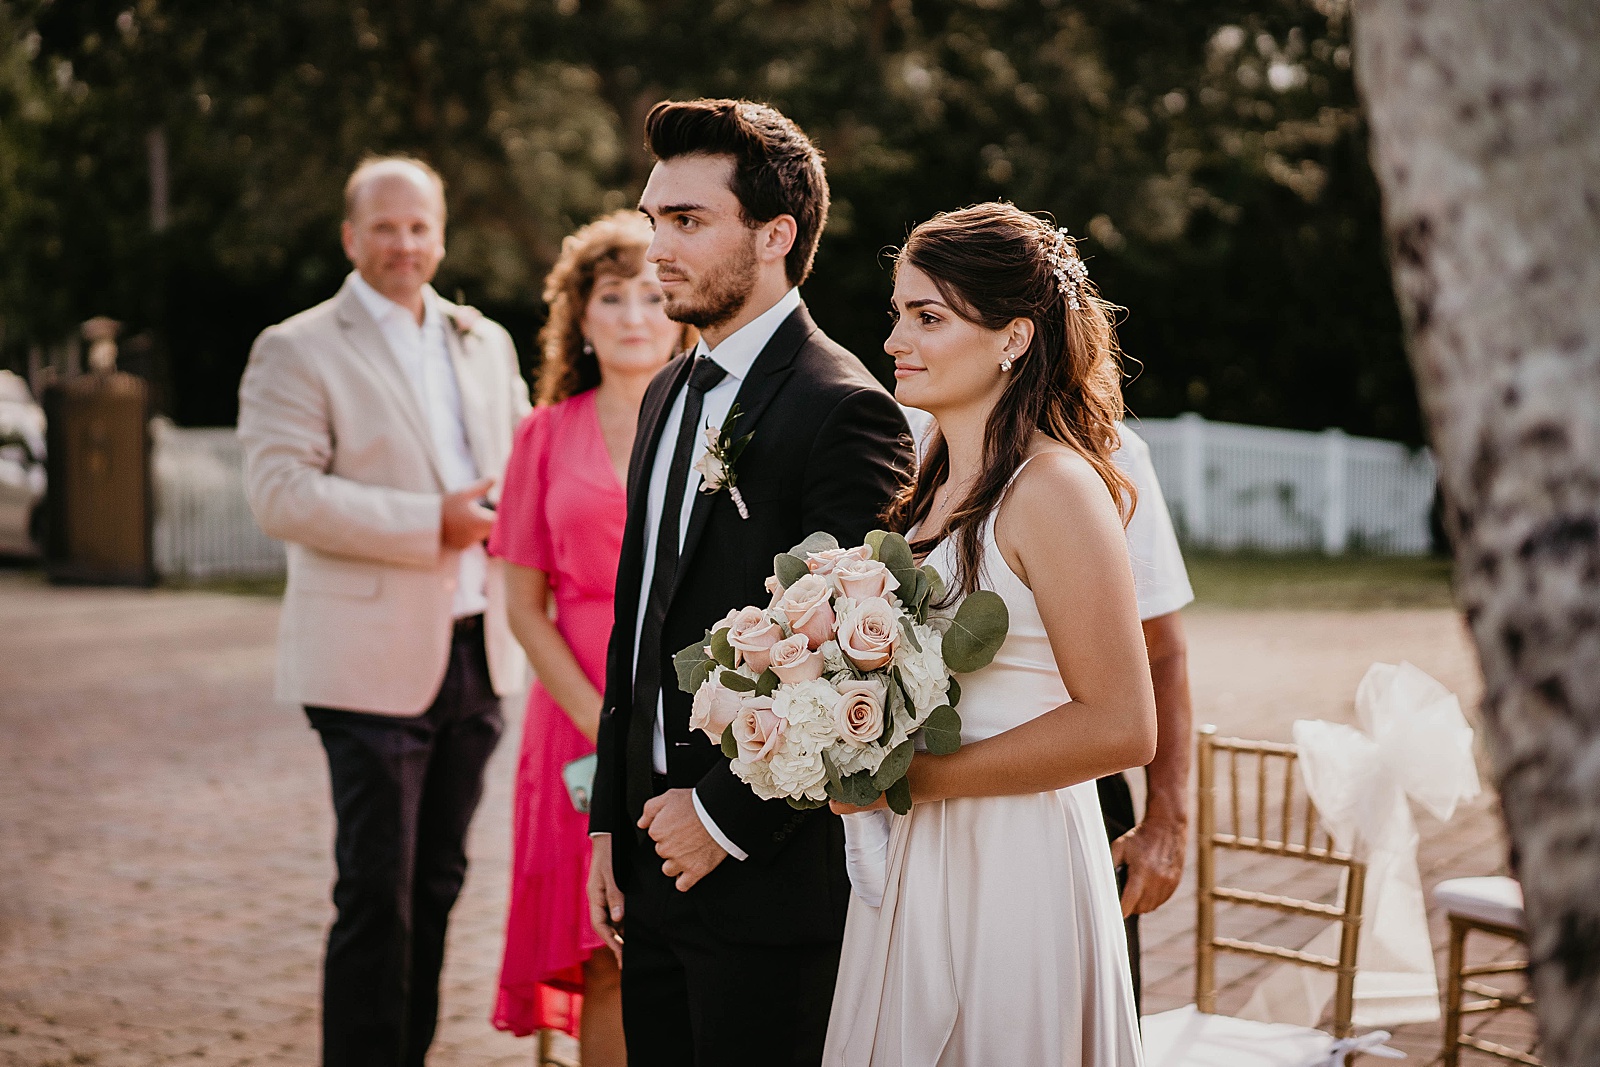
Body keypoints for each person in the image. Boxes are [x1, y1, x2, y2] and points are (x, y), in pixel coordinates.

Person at [584, 98, 913, 1067]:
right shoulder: (664, 392)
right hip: (646, 851)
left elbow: (861, 658)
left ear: (775, 236)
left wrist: (722, 817)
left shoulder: (845, 408)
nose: (657, 249)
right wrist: (611, 817)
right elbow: (640, 618)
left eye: (687, 221)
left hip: (762, 870)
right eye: (653, 220)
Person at [824, 202, 1157, 1065]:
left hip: (1014, 857)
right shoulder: (930, 481)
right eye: (898, 311)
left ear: (1013, 336)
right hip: (921, 851)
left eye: (928, 316)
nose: (897, 337)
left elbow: (1123, 723)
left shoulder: (1054, 488)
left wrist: (927, 780)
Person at [237, 156, 531, 1067]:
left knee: (439, 882)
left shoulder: (485, 340)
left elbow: (524, 460)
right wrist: (429, 525)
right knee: (378, 892)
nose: (405, 243)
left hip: (479, 651)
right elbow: (279, 492)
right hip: (364, 659)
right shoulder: (296, 345)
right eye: (386, 226)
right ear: (350, 236)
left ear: (440, 234)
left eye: (420, 226)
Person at [488, 210, 690, 1064]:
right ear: (581, 313)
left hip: (687, 714)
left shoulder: (708, 425)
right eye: (613, 296)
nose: (635, 314)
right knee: (604, 953)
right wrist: (605, 726)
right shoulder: (542, 433)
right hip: (574, 727)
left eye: (652, 292)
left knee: (680, 948)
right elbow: (523, 605)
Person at [1099, 425, 1195, 1015]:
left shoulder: (1114, 453)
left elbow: (1162, 650)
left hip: (1082, 798)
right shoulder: (909, 432)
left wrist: (1168, 821)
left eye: (929, 320)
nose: (896, 343)